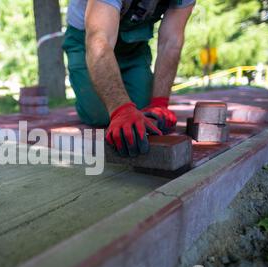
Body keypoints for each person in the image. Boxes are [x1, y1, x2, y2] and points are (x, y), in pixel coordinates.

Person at [62, 0, 195, 157]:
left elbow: (170, 42)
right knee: (102, 116)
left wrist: (160, 103)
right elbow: (99, 41)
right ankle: (85, 99)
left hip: (132, 47)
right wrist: (121, 109)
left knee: (144, 113)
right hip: (85, 41)